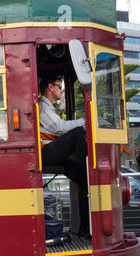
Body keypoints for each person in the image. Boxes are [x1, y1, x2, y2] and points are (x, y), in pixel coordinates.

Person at [38, 75, 90, 238]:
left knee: (84, 180)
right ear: (50, 87)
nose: (62, 91)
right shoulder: (43, 107)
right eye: (60, 87)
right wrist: (84, 121)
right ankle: (87, 164)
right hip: (45, 153)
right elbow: (60, 128)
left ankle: (84, 228)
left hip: (52, 151)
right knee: (78, 133)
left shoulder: (49, 108)